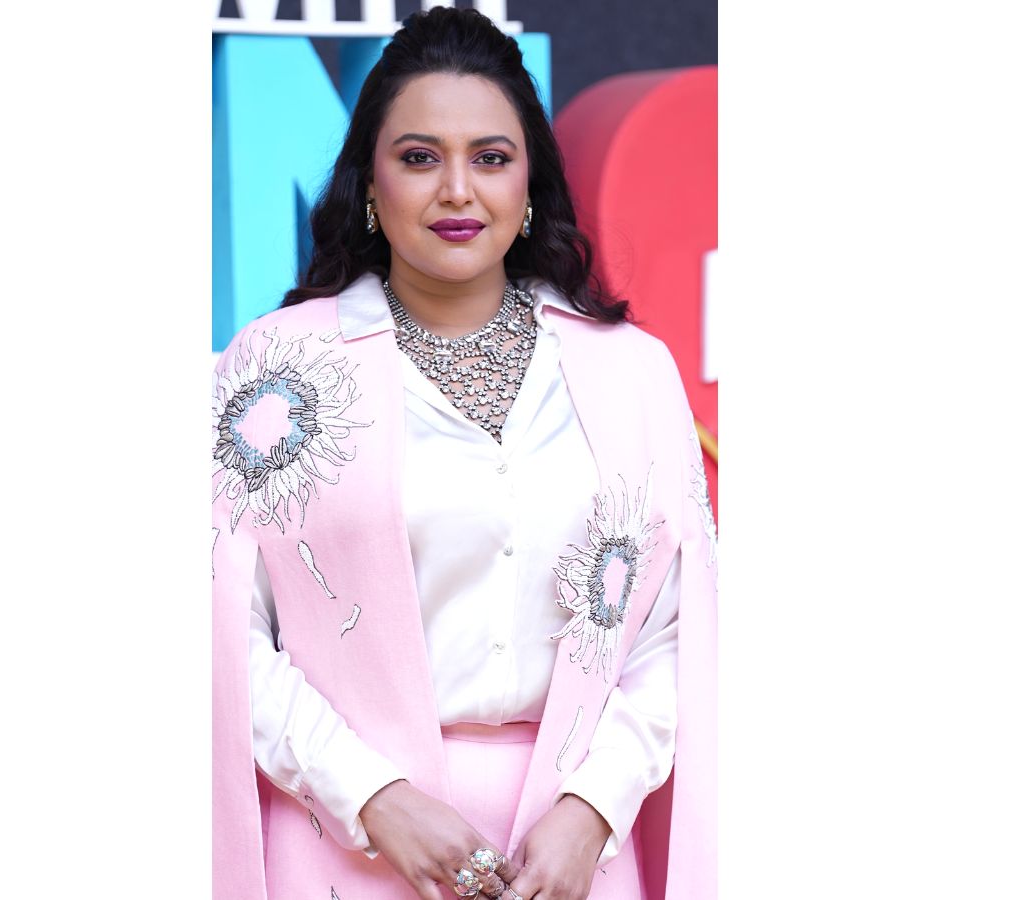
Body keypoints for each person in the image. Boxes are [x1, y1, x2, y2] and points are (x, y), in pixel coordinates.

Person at [212, 8, 717, 900]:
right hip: (343, 847)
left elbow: (682, 629)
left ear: (531, 184)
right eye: (419, 157)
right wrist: (372, 798)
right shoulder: (274, 369)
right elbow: (216, 627)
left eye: (490, 157)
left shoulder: (631, 372)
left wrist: (593, 809)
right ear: (370, 183)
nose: (457, 190)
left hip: (573, 860)